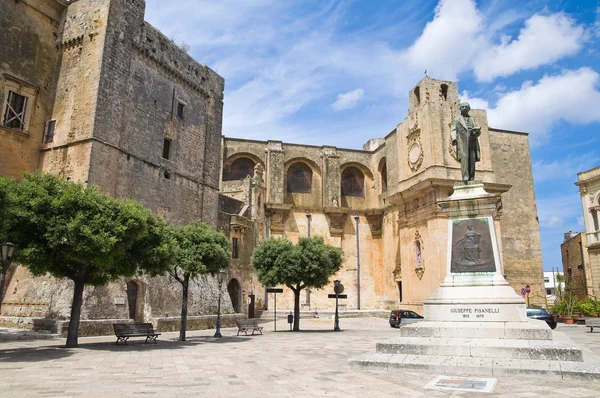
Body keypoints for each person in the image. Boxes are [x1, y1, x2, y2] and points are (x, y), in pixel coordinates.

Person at [451, 102, 481, 183]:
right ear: (460, 109)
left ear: (469, 109)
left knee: (472, 159)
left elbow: (477, 130)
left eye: (466, 107)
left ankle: (472, 177)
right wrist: (454, 139)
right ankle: (465, 176)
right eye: (463, 107)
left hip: (472, 141)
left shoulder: (472, 119)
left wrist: (477, 131)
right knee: (464, 159)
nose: (464, 108)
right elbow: (453, 130)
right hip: (462, 141)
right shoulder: (456, 119)